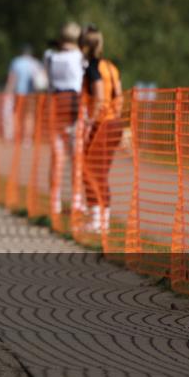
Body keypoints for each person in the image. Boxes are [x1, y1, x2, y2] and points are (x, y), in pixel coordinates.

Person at [78, 25, 123, 233]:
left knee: (91, 170)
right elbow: (119, 97)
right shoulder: (111, 67)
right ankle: (102, 219)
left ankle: (97, 218)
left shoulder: (93, 68)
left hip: (102, 123)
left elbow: (100, 98)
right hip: (115, 123)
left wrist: (90, 124)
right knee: (100, 171)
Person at [44, 22, 85, 215]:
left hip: (54, 106)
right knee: (76, 156)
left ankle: (55, 201)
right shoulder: (80, 58)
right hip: (75, 106)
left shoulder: (50, 57)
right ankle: (76, 200)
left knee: (57, 157)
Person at [2, 43, 47, 140]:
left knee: (16, 113)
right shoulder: (36, 63)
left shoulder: (16, 62)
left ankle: (16, 135)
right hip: (32, 93)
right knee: (29, 115)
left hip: (18, 93)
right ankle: (27, 138)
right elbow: (42, 79)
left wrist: (7, 91)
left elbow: (12, 78)